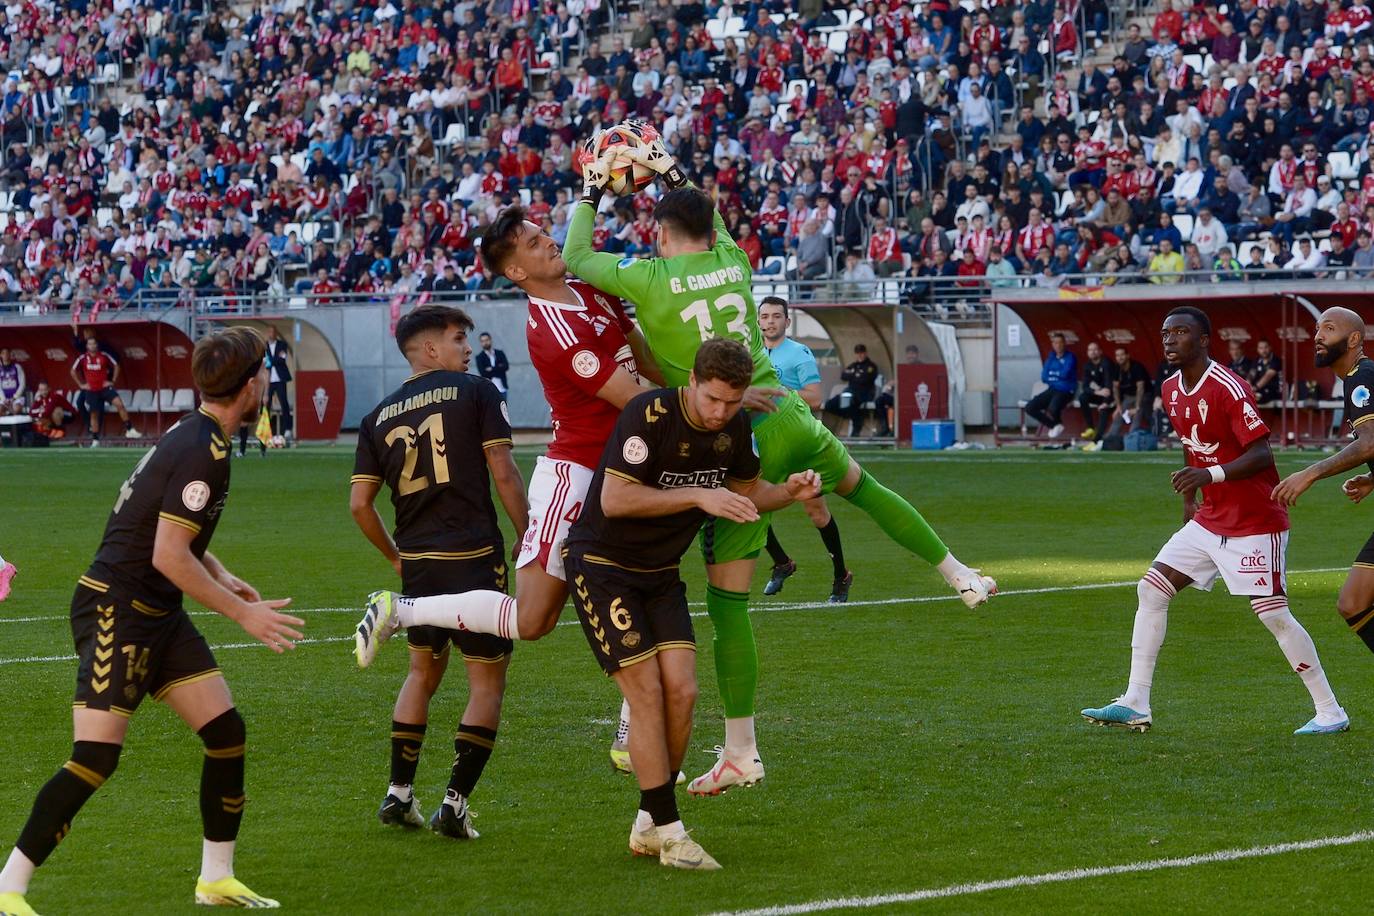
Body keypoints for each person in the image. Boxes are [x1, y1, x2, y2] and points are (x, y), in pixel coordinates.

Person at [563, 130, 996, 795]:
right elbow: (712, 221)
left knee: (727, 603)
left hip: (740, 436)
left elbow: (574, 254)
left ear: (658, 237)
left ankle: (741, 750)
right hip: (790, 411)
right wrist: (673, 170)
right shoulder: (736, 264)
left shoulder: (646, 276)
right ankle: (959, 571)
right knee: (862, 486)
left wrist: (594, 189)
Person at [0, 328, 304, 916]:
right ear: (250, 385)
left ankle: (216, 878)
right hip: (117, 608)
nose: (267, 380)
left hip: (155, 610)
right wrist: (241, 611)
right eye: (263, 372)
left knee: (225, 733)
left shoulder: (197, 435)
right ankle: (9, 885)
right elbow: (166, 553)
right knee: (94, 756)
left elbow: (164, 529)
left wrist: (219, 570)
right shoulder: (202, 450)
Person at [563, 339, 819, 868]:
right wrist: (698, 495)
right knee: (647, 695)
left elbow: (747, 494)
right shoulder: (648, 412)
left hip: (659, 576)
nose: (720, 413)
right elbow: (615, 499)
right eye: (712, 400)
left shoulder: (733, 429)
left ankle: (647, 823)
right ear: (693, 383)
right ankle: (674, 833)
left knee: (683, 691)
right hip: (604, 568)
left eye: (732, 402)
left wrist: (789, 491)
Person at [1082, 307, 1347, 736]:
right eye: (1166, 333)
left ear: (1204, 340)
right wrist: (1191, 498)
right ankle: (1136, 701)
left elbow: (1262, 454)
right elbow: (1193, 449)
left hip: (1256, 520)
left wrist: (1210, 476)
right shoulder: (1170, 388)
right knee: (1151, 587)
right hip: (1210, 518)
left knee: (1273, 614)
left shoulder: (1229, 386)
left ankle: (1330, 711)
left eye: (1181, 332)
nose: (1170, 340)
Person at [349, 305, 529, 839]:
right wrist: (530, 533)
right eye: (457, 338)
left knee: (421, 674)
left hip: (420, 566)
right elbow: (504, 471)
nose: (466, 348)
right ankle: (454, 805)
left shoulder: (377, 415)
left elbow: (360, 504)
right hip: (474, 555)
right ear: (430, 349)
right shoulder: (475, 391)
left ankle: (398, 793)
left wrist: (395, 557)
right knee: (486, 684)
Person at [1272, 307, 1374, 663]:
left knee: (1354, 602)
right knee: (1353, 603)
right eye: (1317, 329)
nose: (1318, 336)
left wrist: (1309, 473)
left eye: (1328, 329)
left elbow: (1369, 443)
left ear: (1354, 339)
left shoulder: (1363, 376)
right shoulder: (1357, 379)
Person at [756, 296, 853, 603]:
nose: (770, 321)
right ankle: (782, 563)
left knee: (816, 511)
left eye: (776, 316)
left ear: (787, 321)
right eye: (765, 316)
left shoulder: (799, 352)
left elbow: (814, 398)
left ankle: (841, 576)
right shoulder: (753, 354)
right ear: (757, 321)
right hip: (761, 445)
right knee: (751, 507)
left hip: (797, 445)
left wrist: (776, 394)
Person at [69, 335, 139, 445]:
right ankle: (95, 439)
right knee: (94, 414)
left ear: (97, 345)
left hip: (105, 388)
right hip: (92, 390)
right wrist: (81, 385)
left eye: (94, 344)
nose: (92, 346)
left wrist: (113, 381)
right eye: (90, 344)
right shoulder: (82, 358)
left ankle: (129, 429)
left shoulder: (104, 356)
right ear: (87, 346)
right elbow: (73, 371)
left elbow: (116, 366)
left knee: (119, 404)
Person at [1024, 332, 1077, 437]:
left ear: (1064, 343)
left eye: (1060, 342)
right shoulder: (1051, 357)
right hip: (1053, 389)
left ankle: (1057, 425)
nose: (1058, 345)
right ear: (1052, 344)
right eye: (1055, 343)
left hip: (1066, 390)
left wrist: (1052, 376)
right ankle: (1054, 425)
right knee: (1030, 407)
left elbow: (1065, 374)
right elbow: (1044, 377)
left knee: (1053, 408)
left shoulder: (1070, 357)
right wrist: (1056, 377)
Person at [823, 344, 880, 438]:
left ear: (865, 353)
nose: (860, 355)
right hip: (849, 392)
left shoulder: (871, 366)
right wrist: (856, 375)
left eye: (861, 353)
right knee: (829, 404)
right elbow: (843, 376)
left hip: (864, 393)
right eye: (858, 353)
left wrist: (853, 375)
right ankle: (849, 417)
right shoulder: (854, 365)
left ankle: (856, 426)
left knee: (850, 402)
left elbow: (865, 379)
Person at [1078, 341, 1116, 446]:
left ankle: (1096, 441)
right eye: (1090, 350)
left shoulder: (1106, 363)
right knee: (1083, 397)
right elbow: (1085, 387)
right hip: (1100, 394)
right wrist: (1097, 392)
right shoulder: (1087, 366)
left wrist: (1106, 402)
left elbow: (1110, 386)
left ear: (1100, 351)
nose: (1093, 352)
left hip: (1112, 396)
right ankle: (1090, 427)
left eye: (1095, 349)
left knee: (1104, 409)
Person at [263, 325, 293, 443]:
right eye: (269, 332)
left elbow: (282, 359)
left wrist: (269, 360)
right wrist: (270, 360)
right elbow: (264, 362)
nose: (271, 334)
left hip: (280, 379)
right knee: (266, 405)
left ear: (276, 333)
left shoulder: (282, 345)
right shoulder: (264, 346)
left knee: (284, 403)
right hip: (268, 380)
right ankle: (266, 430)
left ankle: (287, 429)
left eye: (273, 332)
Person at [475, 332, 510, 399]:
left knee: (503, 409)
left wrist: (491, 369)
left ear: (490, 340)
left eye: (487, 340)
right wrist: (499, 368)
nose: (485, 343)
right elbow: (483, 373)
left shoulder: (500, 353)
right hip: (488, 390)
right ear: (481, 343)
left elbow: (506, 367)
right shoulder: (479, 357)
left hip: (502, 389)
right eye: (483, 341)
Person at [1250, 338, 1283, 404]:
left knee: (1256, 397)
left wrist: (1254, 388)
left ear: (1270, 348)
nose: (1263, 350)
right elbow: (1251, 375)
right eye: (1261, 348)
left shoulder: (1276, 361)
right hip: (1260, 390)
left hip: (1276, 391)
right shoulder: (1257, 360)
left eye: (1266, 347)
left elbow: (1267, 377)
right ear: (1257, 349)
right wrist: (1248, 386)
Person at [0, 348, 25, 413]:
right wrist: (4, 399)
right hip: (4, 399)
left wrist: (14, 397)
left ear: (10, 355)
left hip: (16, 398)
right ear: (1, 355)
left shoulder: (17, 367)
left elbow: (22, 384)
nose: (5, 355)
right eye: (3, 353)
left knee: (16, 410)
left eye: (7, 353)